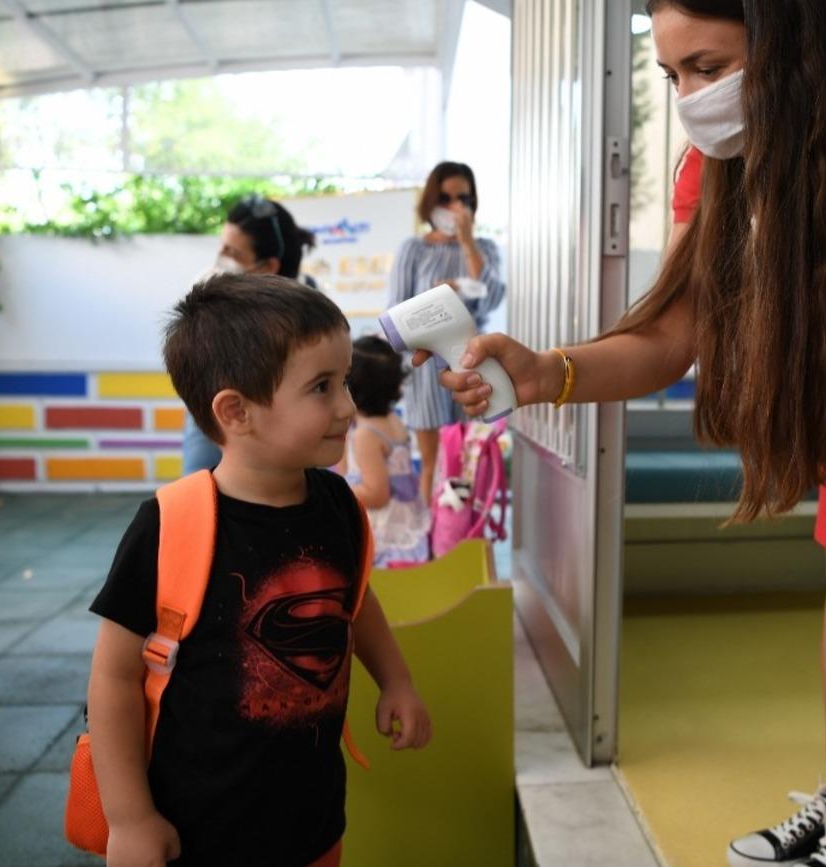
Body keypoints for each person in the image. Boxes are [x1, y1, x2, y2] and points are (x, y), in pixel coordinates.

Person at [428, 2, 826, 864]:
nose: (689, 98)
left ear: (785, 38)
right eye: (673, 74)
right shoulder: (720, 157)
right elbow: (675, 332)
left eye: (708, 67)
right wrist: (543, 372)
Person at [88, 274, 432, 867]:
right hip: (197, 829)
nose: (348, 406)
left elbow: (354, 600)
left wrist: (396, 680)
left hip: (315, 820)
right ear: (237, 411)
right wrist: (130, 817)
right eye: (322, 387)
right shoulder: (170, 524)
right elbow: (114, 680)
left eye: (344, 380)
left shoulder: (338, 506)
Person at [388, 161, 506, 501]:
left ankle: (466, 539)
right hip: (425, 367)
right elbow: (396, 313)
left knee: (470, 464)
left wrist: (468, 242)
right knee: (431, 461)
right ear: (430, 200)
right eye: (445, 197)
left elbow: (492, 298)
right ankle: (432, 546)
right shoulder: (414, 249)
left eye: (462, 199)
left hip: (475, 360)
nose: (453, 207)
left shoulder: (486, 248)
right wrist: (438, 301)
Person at [182, 195, 319, 475]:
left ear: (269, 266)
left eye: (233, 252)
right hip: (213, 410)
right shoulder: (207, 286)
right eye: (223, 245)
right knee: (201, 487)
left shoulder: (308, 304)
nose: (222, 257)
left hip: (282, 414)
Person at [338, 336, 431, 567]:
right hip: (406, 521)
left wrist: (336, 491)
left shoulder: (366, 436)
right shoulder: (392, 420)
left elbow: (377, 494)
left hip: (386, 528)